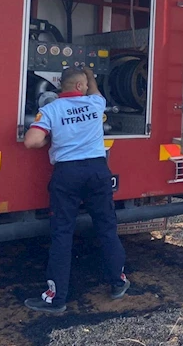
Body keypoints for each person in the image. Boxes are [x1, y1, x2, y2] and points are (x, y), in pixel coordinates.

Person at [23, 67, 129, 314]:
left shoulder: (50, 109)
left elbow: (32, 141)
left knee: (62, 234)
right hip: (97, 171)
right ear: (81, 86)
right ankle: (117, 283)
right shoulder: (95, 103)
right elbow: (94, 89)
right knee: (106, 227)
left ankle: (56, 299)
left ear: (62, 85)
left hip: (67, 174)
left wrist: (53, 137)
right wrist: (90, 74)